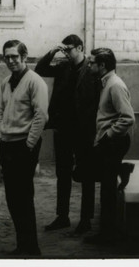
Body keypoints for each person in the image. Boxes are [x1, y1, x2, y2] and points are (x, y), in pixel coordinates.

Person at [35, 35, 101, 234]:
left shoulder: (92, 68)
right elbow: (40, 69)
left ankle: (85, 219)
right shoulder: (63, 67)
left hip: (83, 130)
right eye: (64, 50)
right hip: (63, 129)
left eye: (69, 49)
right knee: (62, 174)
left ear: (80, 47)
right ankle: (62, 216)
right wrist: (53, 51)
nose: (66, 53)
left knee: (87, 175)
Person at [0, 40, 49, 256]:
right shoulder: (6, 81)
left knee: (23, 198)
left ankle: (31, 248)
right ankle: (22, 245)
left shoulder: (35, 82)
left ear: (24, 57)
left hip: (23, 146)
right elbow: (2, 111)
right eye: (7, 57)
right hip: (7, 145)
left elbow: (41, 116)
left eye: (15, 57)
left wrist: (29, 144)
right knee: (12, 198)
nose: (11, 61)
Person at [85, 47, 135, 245]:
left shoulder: (114, 85)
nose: (89, 65)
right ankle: (122, 169)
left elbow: (128, 118)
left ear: (102, 65)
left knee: (107, 190)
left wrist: (108, 136)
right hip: (108, 141)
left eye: (91, 62)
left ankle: (108, 234)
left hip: (113, 142)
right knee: (104, 184)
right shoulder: (107, 82)